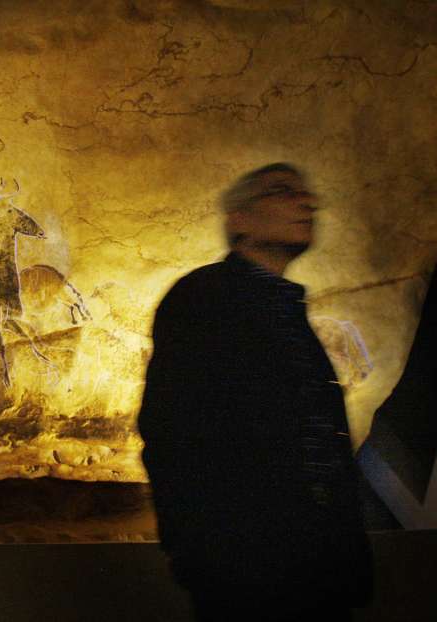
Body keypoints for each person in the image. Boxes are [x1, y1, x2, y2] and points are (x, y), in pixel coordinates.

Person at [137, 163, 373, 621]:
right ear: (238, 220)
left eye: (307, 194)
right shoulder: (205, 300)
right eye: (282, 191)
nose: (307, 203)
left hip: (312, 569)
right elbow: (171, 427)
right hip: (249, 571)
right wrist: (198, 549)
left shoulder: (282, 307)